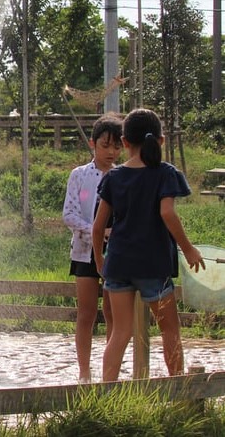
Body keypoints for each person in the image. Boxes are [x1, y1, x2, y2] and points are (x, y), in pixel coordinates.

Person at [93, 108, 205, 381]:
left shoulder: (113, 177)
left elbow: (98, 227)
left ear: (125, 142)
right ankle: (177, 389)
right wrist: (188, 248)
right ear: (161, 140)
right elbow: (167, 213)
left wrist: (99, 260)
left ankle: (106, 392)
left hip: (119, 264)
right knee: (170, 330)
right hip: (153, 265)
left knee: (120, 333)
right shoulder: (165, 173)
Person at [62, 113, 123, 383]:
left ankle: (109, 374)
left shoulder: (123, 176)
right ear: (93, 144)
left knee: (113, 314)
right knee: (86, 313)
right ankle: (84, 373)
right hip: (85, 251)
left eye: (117, 147)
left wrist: (113, 235)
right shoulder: (80, 175)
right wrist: (96, 231)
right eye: (105, 145)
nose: (111, 152)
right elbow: (69, 214)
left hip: (115, 253)